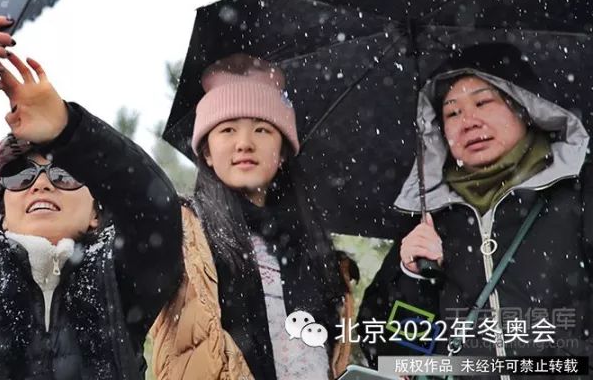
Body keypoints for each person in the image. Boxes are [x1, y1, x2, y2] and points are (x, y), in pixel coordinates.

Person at [0, 16, 183, 380]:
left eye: (63, 173)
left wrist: (67, 128)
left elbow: (155, 211)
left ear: (97, 213)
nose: (41, 184)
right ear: (2, 213)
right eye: (20, 174)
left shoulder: (118, 283)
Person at [359, 43, 593, 372]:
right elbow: (395, 358)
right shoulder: (429, 221)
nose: (468, 121)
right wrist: (414, 280)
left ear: (524, 109)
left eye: (483, 102)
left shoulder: (578, 191)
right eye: (452, 113)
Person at [150, 54, 358, 380]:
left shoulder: (316, 253)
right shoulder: (182, 232)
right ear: (205, 150)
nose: (244, 143)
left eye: (262, 130)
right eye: (227, 130)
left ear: (284, 150)